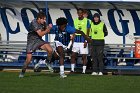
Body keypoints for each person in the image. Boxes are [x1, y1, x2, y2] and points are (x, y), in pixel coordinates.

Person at [19, 12, 53, 78]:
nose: (45, 21)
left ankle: (47, 61)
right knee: (28, 60)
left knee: (50, 50)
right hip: (31, 42)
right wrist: (48, 29)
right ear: (39, 19)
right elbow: (41, 33)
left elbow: (46, 31)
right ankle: (22, 71)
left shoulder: (44, 23)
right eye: (43, 19)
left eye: (45, 19)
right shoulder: (34, 23)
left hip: (39, 40)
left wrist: (48, 28)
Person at [70, 8, 91, 74]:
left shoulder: (87, 21)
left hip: (83, 40)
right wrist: (72, 40)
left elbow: (88, 32)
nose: (79, 14)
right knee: (73, 55)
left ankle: (84, 71)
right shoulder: (75, 20)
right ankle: (72, 70)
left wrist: (86, 41)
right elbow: (74, 31)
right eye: (78, 13)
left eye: (80, 13)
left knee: (84, 56)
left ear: (83, 13)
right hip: (76, 40)